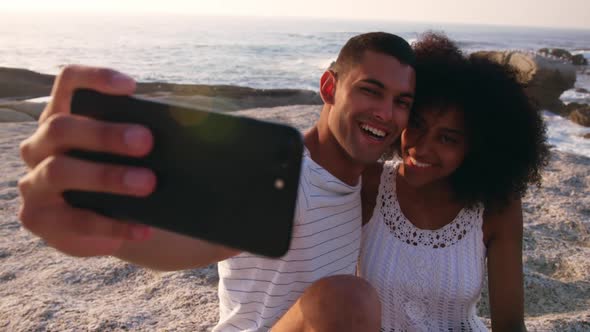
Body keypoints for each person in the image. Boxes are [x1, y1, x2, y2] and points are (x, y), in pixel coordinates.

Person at [17, 32, 416, 331]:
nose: (385, 112)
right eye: (370, 91)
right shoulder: (278, 175)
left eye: (401, 102)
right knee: (348, 297)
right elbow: (186, 243)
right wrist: (111, 231)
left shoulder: (367, 180)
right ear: (329, 88)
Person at [358, 33, 549, 331]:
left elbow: (510, 324)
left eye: (447, 138)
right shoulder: (370, 184)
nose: (421, 148)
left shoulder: (496, 208)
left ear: (475, 147)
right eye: (417, 125)